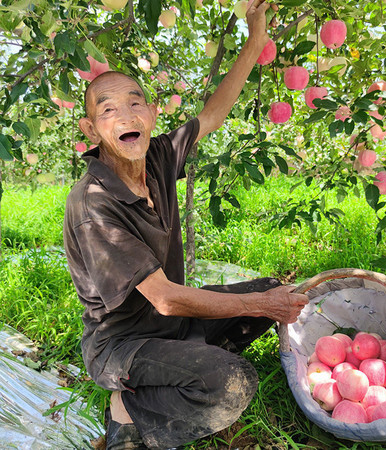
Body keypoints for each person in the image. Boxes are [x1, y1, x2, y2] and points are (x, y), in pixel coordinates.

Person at [63, 1, 308, 448]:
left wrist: (255, 38)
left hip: (168, 327)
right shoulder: (93, 203)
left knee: (274, 292)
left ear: (152, 114)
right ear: (92, 128)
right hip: (122, 345)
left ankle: (177, 374)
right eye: (108, 110)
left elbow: (213, 114)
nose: (125, 115)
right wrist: (261, 303)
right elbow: (166, 300)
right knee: (233, 382)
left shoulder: (155, 156)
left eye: (135, 102)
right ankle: (127, 410)